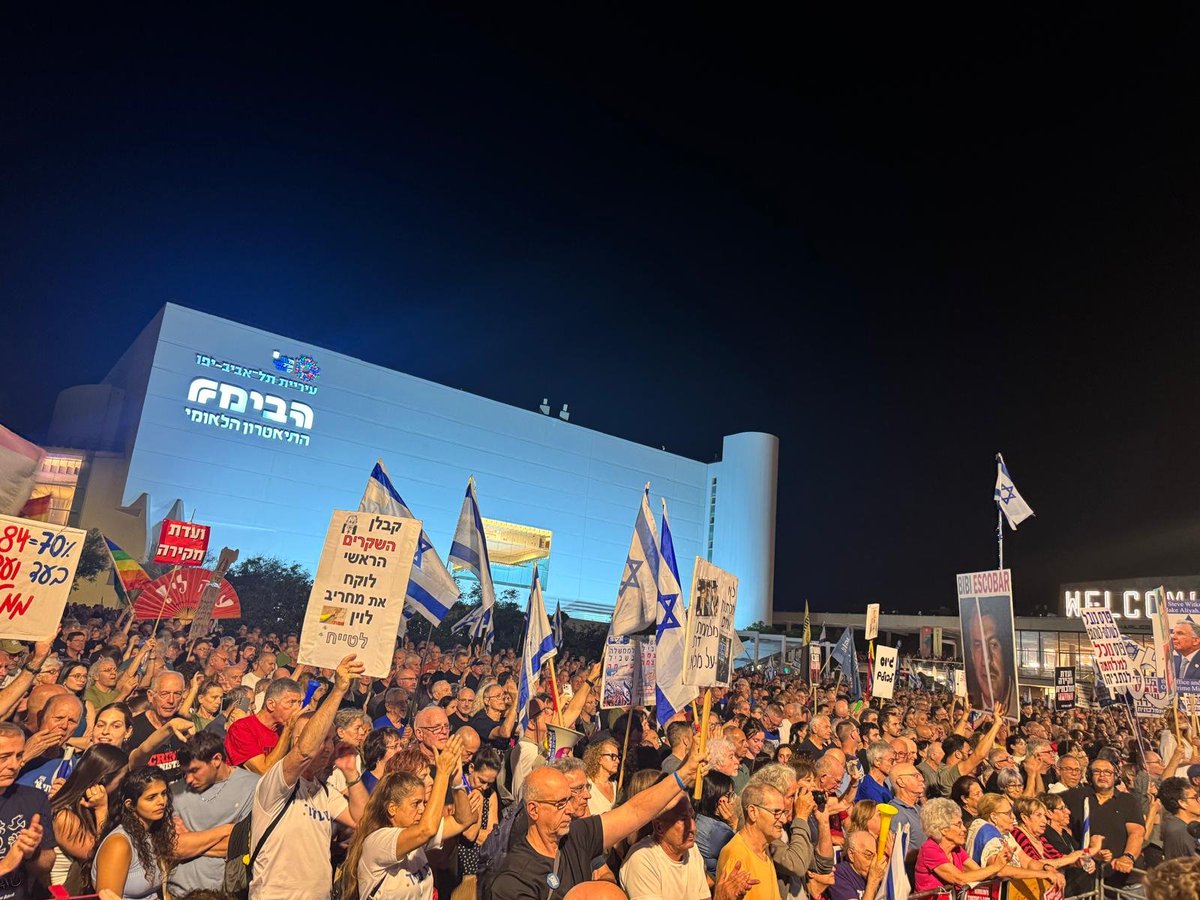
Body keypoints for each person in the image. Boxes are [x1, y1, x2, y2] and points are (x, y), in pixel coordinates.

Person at [491, 738, 708, 900]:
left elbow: (634, 811)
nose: (569, 809)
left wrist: (682, 776)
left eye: (569, 799)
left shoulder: (577, 835)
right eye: (559, 804)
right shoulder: (514, 879)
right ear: (533, 810)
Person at [248, 654, 369, 900]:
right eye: (320, 739)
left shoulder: (323, 791)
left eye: (329, 741)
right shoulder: (277, 782)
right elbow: (305, 751)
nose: (325, 747)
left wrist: (351, 773)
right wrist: (338, 691)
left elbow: (362, 819)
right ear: (296, 739)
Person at [339, 735, 471, 900]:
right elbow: (426, 830)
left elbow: (462, 821)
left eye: (423, 803)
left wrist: (456, 783)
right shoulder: (379, 840)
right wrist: (442, 774)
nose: (422, 809)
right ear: (393, 808)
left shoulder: (414, 835)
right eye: (416, 803)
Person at [92, 764, 230, 899]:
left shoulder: (154, 832)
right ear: (130, 805)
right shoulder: (118, 844)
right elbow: (106, 896)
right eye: (151, 797)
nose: (161, 801)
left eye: (163, 794)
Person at [168, 730, 259, 897]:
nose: (188, 779)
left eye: (194, 770)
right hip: (179, 893)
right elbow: (175, 847)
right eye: (185, 772)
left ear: (216, 759)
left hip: (225, 893)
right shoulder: (175, 792)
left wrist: (191, 839)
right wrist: (226, 831)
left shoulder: (252, 787)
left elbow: (245, 845)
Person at [49, 743, 127, 888]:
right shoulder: (64, 815)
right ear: (102, 781)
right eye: (121, 781)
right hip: (66, 893)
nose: (124, 785)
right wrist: (101, 809)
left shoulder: (106, 805)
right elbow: (98, 855)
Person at [1062, 757, 1146, 892]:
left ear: (1116, 776)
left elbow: (1136, 832)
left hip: (1125, 881)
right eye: (1097, 771)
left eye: (1107, 772)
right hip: (1088, 881)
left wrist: (1128, 857)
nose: (1102, 775)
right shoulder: (1076, 796)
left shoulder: (1128, 800)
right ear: (1089, 775)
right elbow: (1044, 803)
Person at [0, 722, 56, 895]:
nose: (14, 765)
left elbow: (46, 863)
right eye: (4, 757)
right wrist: (5, 865)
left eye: (19, 756)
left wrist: (32, 853)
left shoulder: (35, 798)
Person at [915, 798, 1007, 898]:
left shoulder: (956, 849)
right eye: (958, 825)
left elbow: (979, 872)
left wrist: (1001, 859)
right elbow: (960, 879)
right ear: (943, 830)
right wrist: (995, 867)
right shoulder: (930, 849)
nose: (964, 829)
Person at [224, 678, 304, 773]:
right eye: (291, 702)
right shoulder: (241, 728)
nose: (297, 708)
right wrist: (288, 729)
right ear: (271, 704)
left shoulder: (283, 729)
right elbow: (263, 771)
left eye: (299, 703)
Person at [128, 671, 189, 782]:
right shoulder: (133, 728)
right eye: (164, 694)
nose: (171, 701)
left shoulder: (186, 726)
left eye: (177, 694)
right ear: (151, 696)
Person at [962, 601, 1017, 719]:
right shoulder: (971, 706)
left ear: (1006, 649)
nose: (986, 660)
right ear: (971, 654)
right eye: (977, 645)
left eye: (993, 644)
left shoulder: (1016, 709)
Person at [695, 771, 739, 878]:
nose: (734, 800)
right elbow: (740, 856)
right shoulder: (718, 831)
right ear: (720, 801)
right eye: (731, 795)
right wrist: (735, 824)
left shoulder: (697, 817)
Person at [828, 829, 892, 900]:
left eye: (876, 856)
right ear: (851, 855)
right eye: (868, 855)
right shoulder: (838, 874)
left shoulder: (879, 872)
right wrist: (873, 881)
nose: (874, 862)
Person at [1158, 776, 1200, 860]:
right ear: (1182, 803)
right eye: (1195, 797)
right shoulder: (1180, 831)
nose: (1199, 800)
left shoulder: (1188, 827)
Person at [585, 738, 622, 816]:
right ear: (599, 759)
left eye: (618, 757)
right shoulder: (587, 785)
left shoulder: (617, 786)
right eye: (613, 756)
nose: (618, 761)